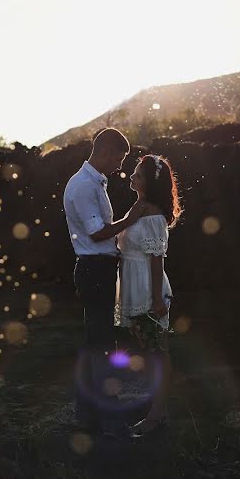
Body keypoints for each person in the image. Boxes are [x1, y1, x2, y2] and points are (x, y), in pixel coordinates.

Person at [63, 128, 145, 437]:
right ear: (106, 152)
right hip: (95, 270)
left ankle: (86, 415)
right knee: (102, 345)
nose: (120, 166)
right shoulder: (84, 186)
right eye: (119, 158)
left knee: (93, 343)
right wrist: (131, 218)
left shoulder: (91, 182)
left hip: (97, 269)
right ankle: (110, 421)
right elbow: (98, 233)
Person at [115, 154, 182, 436]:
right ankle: (155, 406)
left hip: (146, 288)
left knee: (157, 351)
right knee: (148, 349)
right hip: (133, 283)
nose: (131, 177)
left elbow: (158, 260)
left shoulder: (153, 214)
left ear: (149, 183)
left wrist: (156, 299)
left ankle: (156, 416)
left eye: (138, 175)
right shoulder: (139, 207)